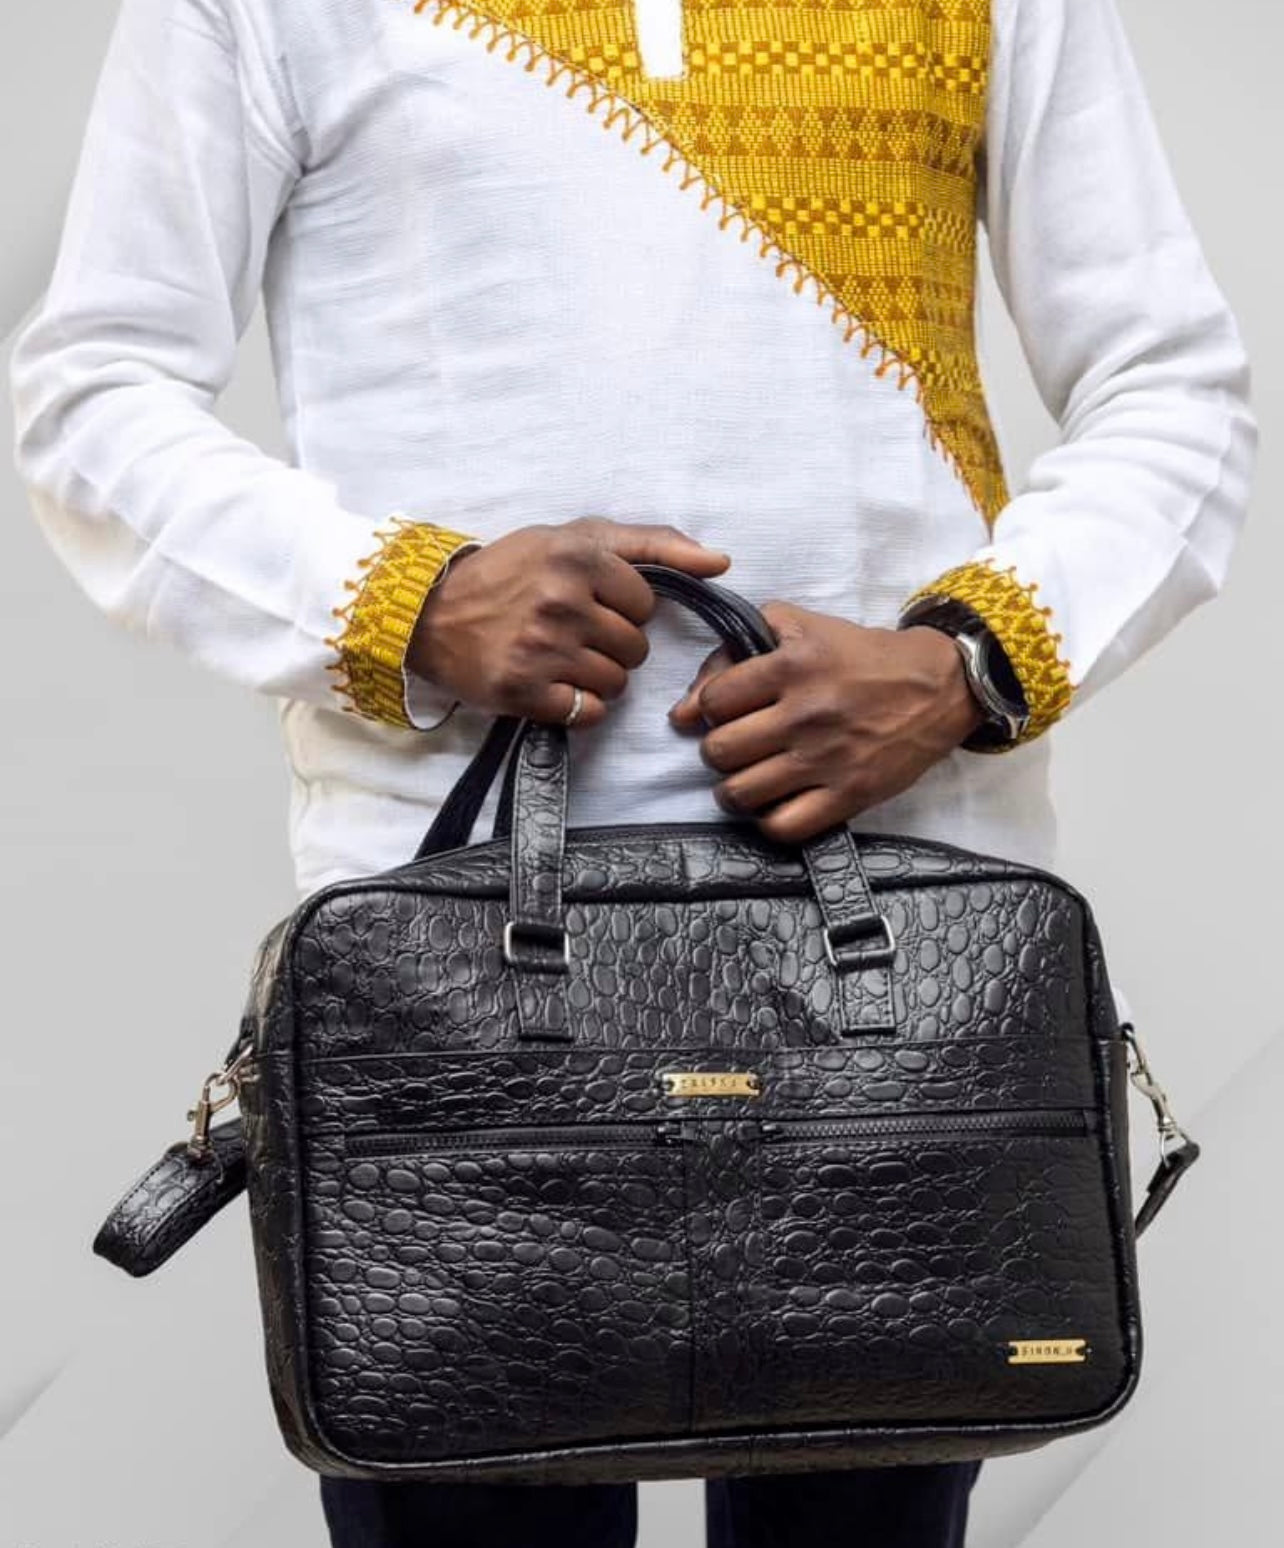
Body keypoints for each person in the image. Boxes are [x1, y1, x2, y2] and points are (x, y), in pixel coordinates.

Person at [9, 0, 1255, 1542]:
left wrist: (965, 664)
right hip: (442, 951)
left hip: (901, 936)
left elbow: (1174, 383)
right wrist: (405, 598)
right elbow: (95, 388)